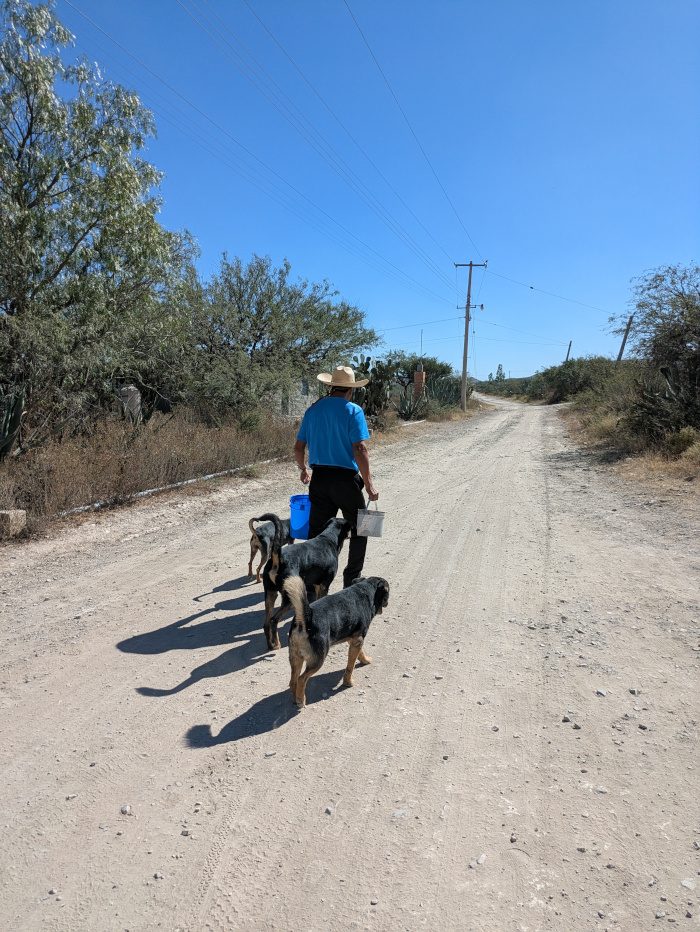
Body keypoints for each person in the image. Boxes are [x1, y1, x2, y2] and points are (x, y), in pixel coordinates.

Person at [294, 366, 379, 588]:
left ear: (331, 387)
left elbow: (298, 447)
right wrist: (369, 483)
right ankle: (351, 580)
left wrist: (303, 469)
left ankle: (312, 581)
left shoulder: (312, 411)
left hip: (320, 479)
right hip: (345, 481)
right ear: (351, 391)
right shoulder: (353, 410)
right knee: (361, 528)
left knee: (317, 533)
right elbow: (360, 449)